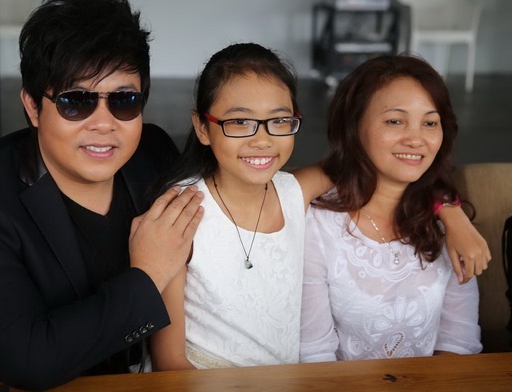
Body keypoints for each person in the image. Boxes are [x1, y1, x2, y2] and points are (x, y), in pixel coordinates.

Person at [0, 0, 203, 390]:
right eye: (76, 101)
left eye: (124, 101)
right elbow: (29, 361)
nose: (104, 124)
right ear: (33, 107)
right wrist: (148, 273)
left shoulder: (153, 153)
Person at [149, 44, 487, 371]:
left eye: (279, 120)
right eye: (239, 122)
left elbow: (388, 166)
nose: (262, 139)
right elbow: (170, 361)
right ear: (202, 127)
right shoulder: (181, 214)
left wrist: (450, 212)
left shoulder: (291, 192)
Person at [299, 54, 483, 363]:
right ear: (353, 126)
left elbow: (459, 343)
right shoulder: (316, 226)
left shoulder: (447, 226)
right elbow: (314, 354)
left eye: (430, 123)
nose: (416, 139)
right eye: (395, 121)